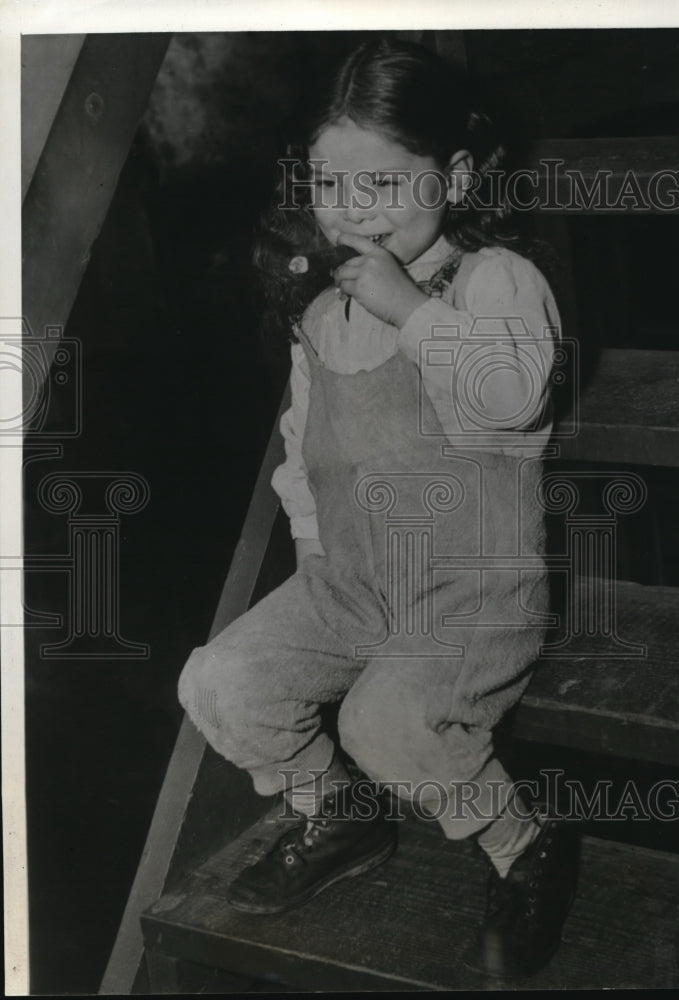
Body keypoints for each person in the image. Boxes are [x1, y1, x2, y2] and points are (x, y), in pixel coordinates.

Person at [178, 37, 577, 980]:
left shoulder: (493, 283)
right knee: (220, 681)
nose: (354, 212)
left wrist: (413, 311)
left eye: (386, 186)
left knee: (383, 723)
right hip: (354, 581)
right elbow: (304, 450)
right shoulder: (324, 314)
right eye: (330, 183)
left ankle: (523, 845)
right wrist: (316, 559)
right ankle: (338, 813)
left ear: (457, 174)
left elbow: (512, 396)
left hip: (470, 592)